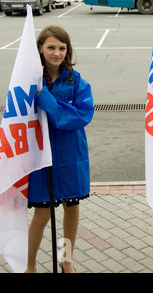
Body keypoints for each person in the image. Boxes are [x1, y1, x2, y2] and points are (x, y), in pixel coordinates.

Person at [25, 25, 94, 273]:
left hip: (70, 154)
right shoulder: (30, 79)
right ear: (40, 48)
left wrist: (49, 102)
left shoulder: (74, 80)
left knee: (71, 208)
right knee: (42, 213)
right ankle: (30, 265)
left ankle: (66, 260)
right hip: (40, 153)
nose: (57, 53)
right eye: (51, 47)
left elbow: (82, 115)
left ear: (68, 50)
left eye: (62, 48)